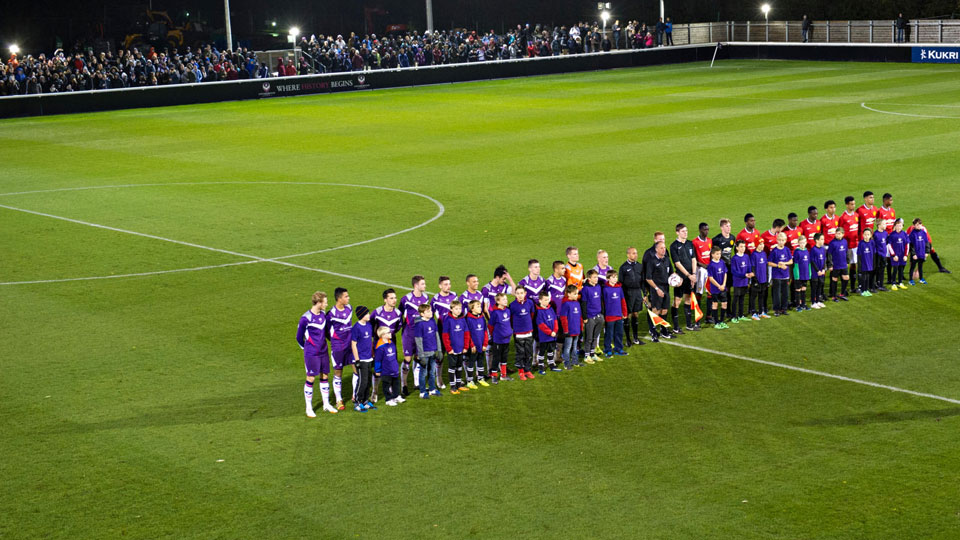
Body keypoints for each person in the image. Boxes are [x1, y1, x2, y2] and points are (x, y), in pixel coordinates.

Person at [296, 291, 337, 417]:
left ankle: (326, 404)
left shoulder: (323, 315)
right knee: (311, 378)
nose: (327, 304)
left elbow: (326, 333)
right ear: (319, 303)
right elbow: (299, 337)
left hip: (323, 351)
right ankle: (309, 408)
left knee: (325, 376)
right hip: (312, 353)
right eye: (325, 302)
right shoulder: (305, 318)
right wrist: (307, 349)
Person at [399, 275, 429, 396]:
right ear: (416, 285)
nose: (425, 286)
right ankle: (404, 385)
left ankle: (417, 383)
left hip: (421, 333)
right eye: (423, 284)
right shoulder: (406, 299)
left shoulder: (426, 297)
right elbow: (399, 314)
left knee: (418, 357)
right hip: (409, 333)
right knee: (407, 359)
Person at [371, 288, 401, 402]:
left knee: (392, 367)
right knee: (378, 369)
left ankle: (393, 393)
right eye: (391, 298)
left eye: (395, 298)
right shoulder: (377, 312)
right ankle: (375, 392)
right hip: (379, 345)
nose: (394, 300)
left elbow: (398, 327)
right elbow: (371, 326)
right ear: (385, 300)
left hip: (391, 344)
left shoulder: (398, 313)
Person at [327, 287, 354, 411]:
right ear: (339, 298)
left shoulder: (349, 308)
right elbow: (326, 331)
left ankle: (355, 395)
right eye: (346, 296)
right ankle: (339, 399)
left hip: (351, 346)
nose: (348, 298)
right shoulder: (331, 314)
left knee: (356, 369)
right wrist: (335, 341)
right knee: (338, 372)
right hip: (338, 347)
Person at [430, 275, 458, 389]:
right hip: (442, 330)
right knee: (441, 356)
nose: (448, 286)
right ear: (440, 286)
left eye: (449, 284)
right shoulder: (435, 299)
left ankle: (456, 378)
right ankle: (439, 379)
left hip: (454, 330)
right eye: (446, 284)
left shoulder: (454, 295)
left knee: (456, 354)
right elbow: (430, 316)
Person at [670, 223, 698, 331]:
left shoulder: (690, 244)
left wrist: (694, 275)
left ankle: (688, 324)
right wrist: (688, 275)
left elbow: (694, 259)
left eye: (686, 231)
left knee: (688, 299)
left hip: (691, 276)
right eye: (683, 231)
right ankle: (676, 327)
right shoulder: (674, 246)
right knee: (677, 300)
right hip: (680, 278)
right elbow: (677, 263)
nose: (685, 233)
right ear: (677, 233)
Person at [349, 306, 375, 412]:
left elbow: (370, 341)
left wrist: (372, 355)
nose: (369, 315)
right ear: (362, 315)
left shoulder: (369, 325)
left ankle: (365, 401)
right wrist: (357, 360)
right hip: (361, 359)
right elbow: (353, 344)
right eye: (367, 313)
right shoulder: (356, 328)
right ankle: (357, 402)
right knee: (362, 382)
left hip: (369, 358)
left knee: (368, 381)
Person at [441, 300, 471, 394]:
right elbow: (445, 336)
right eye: (456, 309)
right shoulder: (448, 320)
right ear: (451, 309)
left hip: (461, 348)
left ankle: (458, 384)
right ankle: (452, 386)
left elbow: (466, 333)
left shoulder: (462, 319)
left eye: (460, 309)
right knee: (452, 367)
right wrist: (449, 349)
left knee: (459, 366)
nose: (458, 311)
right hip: (452, 350)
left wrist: (466, 346)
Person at [645, 241, 673, 341]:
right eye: (661, 248)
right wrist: (657, 289)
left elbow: (671, 274)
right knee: (656, 310)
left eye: (664, 248)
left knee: (665, 309)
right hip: (656, 289)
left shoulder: (667, 260)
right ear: (656, 249)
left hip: (666, 288)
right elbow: (648, 278)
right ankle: (653, 332)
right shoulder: (652, 261)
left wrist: (677, 280)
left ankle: (663, 330)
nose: (664, 249)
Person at [413, 303, 442, 399]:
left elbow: (437, 335)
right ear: (422, 314)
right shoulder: (419, 325)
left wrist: (439, 350)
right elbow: (418, 340)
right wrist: (421, 355)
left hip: (433, 351)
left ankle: (432, 389)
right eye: (428, 311)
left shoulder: (433, 321)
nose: (431, 312)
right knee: (423, 373)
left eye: (430, 310)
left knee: (432, 372)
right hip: (425, 353)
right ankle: (422, 392)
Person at [619, 246, 646, 346]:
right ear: (628, 255)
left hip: (638, 293)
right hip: (628, 293)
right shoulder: (623, 267)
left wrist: (645, 294)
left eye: (636, 253)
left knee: (636, 314)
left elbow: (642, 281)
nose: (636, 255)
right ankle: (628, 339)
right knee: (628, 315)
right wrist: (622, 297)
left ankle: (635, 338)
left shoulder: (640, 266)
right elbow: (620, 283)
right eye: (633, 253)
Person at [509, 287, 537, 380]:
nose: (520, 295)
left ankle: (527, 370)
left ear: (525, 293)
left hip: (529, 332)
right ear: (515, 294)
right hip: (518, 333)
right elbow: (511, 319)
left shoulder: (530, 303)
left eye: (521, 293)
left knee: (528, 352)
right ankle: (521, 371)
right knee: (520, 353)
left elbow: (532, 315)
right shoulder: (512, 305)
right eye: (517, 293)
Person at [601, 270, 628, 357]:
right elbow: (603, 304)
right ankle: (607, 349)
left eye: (616, 277)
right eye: (613, 277)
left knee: (619, 333)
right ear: (608, 278)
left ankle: (618, 348)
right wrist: (604, 315)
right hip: (609, 316)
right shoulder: (605, 289)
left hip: (619, 315)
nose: (615, 279)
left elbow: (622, 301)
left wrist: (624, 312)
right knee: (609, 334)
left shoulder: (619, 288)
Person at [487, 293, 513, 383]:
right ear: (498, 301)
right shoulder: (495, 313)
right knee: (496, 358)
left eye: (506, 299)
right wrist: (493, 336)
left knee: (504, 357)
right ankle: (494, 376)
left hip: (507, 339)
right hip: (498, 340)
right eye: (503, 299)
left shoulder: (508, 310)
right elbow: (490, 326)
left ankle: (503, 375)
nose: (506, 301)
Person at [374, 327, 403, 407]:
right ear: (383, 335)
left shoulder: (391, 343)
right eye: (388, 332)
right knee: (386, 385)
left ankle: (396, 396)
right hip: (386, 370)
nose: (391, 333)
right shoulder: (380, 347)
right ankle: (388, 399)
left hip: (393, 368)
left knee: (396, 383)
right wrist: (378, 370)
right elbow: (378, 360)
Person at [580, 269, 604, 363]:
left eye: (597, 277)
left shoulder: (598, 287)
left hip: (599, 316)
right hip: (590, 316)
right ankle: (587, 356)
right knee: (589, 337)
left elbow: (600, 301)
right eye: (594, 277)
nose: (596, 279)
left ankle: (592, 353)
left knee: (595, 336)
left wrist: (602, 313)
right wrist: (585, 317)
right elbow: (584, 303)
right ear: (589, 279)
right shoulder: (585, 289)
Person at [535, 290, 562, 373]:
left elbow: (555, 320)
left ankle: (551, 365)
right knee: (542, 351)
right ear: (540, 300)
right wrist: (550, 332)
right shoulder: (539, 311)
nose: (547, 301)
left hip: (552, 335)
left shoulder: (550, 308)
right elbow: (541, 325)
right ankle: (541, 366)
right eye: (545, 300)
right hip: (544, 336)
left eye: (548, 299)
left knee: (551, 350)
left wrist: (555, 330)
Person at [464, 300, 488, 388]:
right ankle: (469, 381)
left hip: (481, 345)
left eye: (480, 306)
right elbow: (468, 333)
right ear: (472, 309)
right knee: (471, 363)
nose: (480, 308)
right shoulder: (468, 319)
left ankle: (480, 378)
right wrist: (472, 345)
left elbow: (485, 331)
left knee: (481, 361)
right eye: (478, 307)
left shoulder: (482, 317)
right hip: (473, 346)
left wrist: (485, 344)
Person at [839, 196, 861, 292]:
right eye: (851, 204)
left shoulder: (856, 215)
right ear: (847, 205)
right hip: (846, 246)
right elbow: (840, 232)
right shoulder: (843, 217)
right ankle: (844, 287)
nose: (853, 206)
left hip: (855, 245)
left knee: (854, 264)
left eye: (854, 204)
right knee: (845, 265)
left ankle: (852, 287)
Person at [769, 232, 793, 316]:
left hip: (785, 275)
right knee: (777, 294)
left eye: (783, 240)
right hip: (776, 276)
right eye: (779, 240)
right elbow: (769, 262)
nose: (781, 242)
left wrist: (784, 263)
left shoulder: (787, 249)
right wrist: (778, 265)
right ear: (777, 240)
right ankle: (776, 310)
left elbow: (791, 261)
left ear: (785, 241)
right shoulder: (774, 251)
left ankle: (784, 309)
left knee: (785, 294)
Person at [559, 285, 583, 369]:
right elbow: (563, 318)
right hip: (569, 331)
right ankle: (567, 363)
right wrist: (566, 330)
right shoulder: (566, 304)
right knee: (568, 347)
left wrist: (581, 328)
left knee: (575, 346)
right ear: (568, 294)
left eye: (577, 293)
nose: (577, 295)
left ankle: (575, 361)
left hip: (576, 330)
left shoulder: (577, 303)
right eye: (575, 294)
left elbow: (580, 317)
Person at [692, 222, 713, 320]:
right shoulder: (695, 242)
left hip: (709, 269)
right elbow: (694, 258)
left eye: (708, 229)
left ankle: (709, 316)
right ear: (700, 230)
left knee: (709, 292)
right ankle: (698, 316)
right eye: (705, 229)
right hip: (700, 270)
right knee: (699, 293)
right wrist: (702, 265)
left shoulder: (709, 241)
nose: (707, 231)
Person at [706, 246, 729, 329]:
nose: (719, 255)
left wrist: (723, 285)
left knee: (724, 304)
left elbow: (725, 273)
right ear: (712, 254)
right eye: (717, 254)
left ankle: (722, 321)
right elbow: (711, 278)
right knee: (715, 304)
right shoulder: (711, 265)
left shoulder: (722, 262)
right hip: (715, 289)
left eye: (720, 254)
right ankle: (716, 322)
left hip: (723, 287)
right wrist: (719, 286)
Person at [877, 193, 898, 285]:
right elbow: (879, 224)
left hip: (891, 237)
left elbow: (894, 223)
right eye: (890, 200)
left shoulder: (892, 211)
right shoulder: (880, 211)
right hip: (884, 238)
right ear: (884, 200)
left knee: (890, 258)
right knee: (884, 258)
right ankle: (879, 279)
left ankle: (890, 278)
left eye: (891, 200)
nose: (891, 201)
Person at [827, 228, 851, 301]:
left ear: (843, 234)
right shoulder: (832, 243)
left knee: (846, 278)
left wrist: (847, 261)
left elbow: (846, 252)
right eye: (837, 233)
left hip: (843, 264)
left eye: (839, 233)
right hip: (836, 265)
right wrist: (830, 265)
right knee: (835, 279)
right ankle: (834, 296)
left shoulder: (845, 241)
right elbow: (829, 254)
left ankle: (842, 294)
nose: (837, 235)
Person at [750, 239, 771, 319]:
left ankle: (761, 312)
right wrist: (755, 279)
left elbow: (766, 266)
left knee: (762, 296)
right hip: (757, 280)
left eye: (763, 244)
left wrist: (767, 278)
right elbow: (753, 267)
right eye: (760, 244)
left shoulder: (764, 254)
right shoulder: (753, 255)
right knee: (754, 296)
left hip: (763, 279)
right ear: (756, 245)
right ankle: (753, 312)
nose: (762, 246)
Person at [887, 218, 909, 289]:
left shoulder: (905, 234)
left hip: (902, 255)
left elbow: (907, 245)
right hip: (895, 255)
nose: (899, 227)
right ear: (894, 226)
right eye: (897, 225)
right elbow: (889, 246)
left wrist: (906, 255)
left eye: (900, 226)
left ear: (902, 226)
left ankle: (900, 282)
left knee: (901, 269)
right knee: (895, 269)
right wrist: (893, 255)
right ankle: (893, 283)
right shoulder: (892, 235)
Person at [793, 235, 812, 311]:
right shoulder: (797, 252)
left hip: (805, 273)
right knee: (798, 290)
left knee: (804, 289)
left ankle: (803, 304)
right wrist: (797, 275)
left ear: (806, 242)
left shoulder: (807, 251)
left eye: (804, 243)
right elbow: (796, 264)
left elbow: (809, 263)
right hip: (799, 274)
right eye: (801, 243)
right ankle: (798, 305)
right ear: (798, 243)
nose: (802, 244)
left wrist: (809, 273)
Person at [908, 218, 929, 285]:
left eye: (920, 224)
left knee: (920, 266)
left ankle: (921, 279)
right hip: (915, 254)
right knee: (912, 267)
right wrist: (913, 254)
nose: (919, 225)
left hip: (922, 253)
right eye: (917, 224)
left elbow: (927, 243)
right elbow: (911, 245)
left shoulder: (923, 232)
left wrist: (927, 252)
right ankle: (910, 280)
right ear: (914, 225)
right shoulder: (912, 234)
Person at [810, 233, 828, 308]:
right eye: (822, 239)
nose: (823, 241)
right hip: (815, 272)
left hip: (822, 271)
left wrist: (823, 269)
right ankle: (813, 302)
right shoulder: (813, 250)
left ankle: (818, 301)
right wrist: (817, 271)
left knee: (820, 286)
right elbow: (812, 261)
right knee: (814, 287)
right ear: (817, 240)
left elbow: (824, 260)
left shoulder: (823, 249)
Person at [857, 229, 876, 296]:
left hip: (869, 263)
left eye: (868, 234)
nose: (866, 236)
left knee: (868, 276)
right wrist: (859, 265)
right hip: (863, 263)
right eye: (865, 234)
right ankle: (863, 290)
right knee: (864, 277)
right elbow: (859, 255)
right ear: (863, 235)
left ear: (870, 235)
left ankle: (866, 290)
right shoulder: (861, 243)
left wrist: (873, 263)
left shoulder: (872, 242)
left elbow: (874, 253)